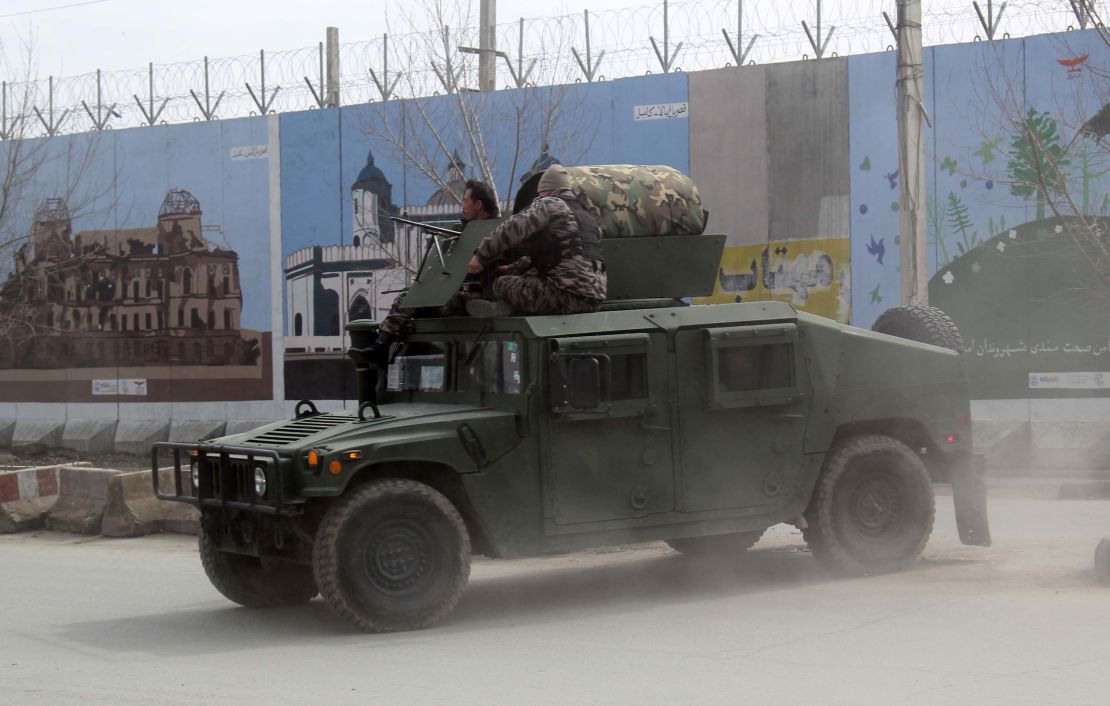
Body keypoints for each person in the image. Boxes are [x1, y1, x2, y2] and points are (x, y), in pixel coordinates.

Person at [349, 179, 499, 367]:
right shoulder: (460, 231)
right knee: (407, 298)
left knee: (433, 302)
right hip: (451, 292)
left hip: (475, 297)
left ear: (479, 204)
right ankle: (381, 347)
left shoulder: (499, 232)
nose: (463, 205)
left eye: (466, 200)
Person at [465, 164, 606, 317]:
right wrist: (513, 268)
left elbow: (512, 228)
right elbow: (559, 257)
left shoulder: (551, 203)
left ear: (545, 191)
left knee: (500, 284)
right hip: (593, 300)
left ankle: (504, 309)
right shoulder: (586, 216)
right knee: (523, 280)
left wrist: (480, 256)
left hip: (562, 295)